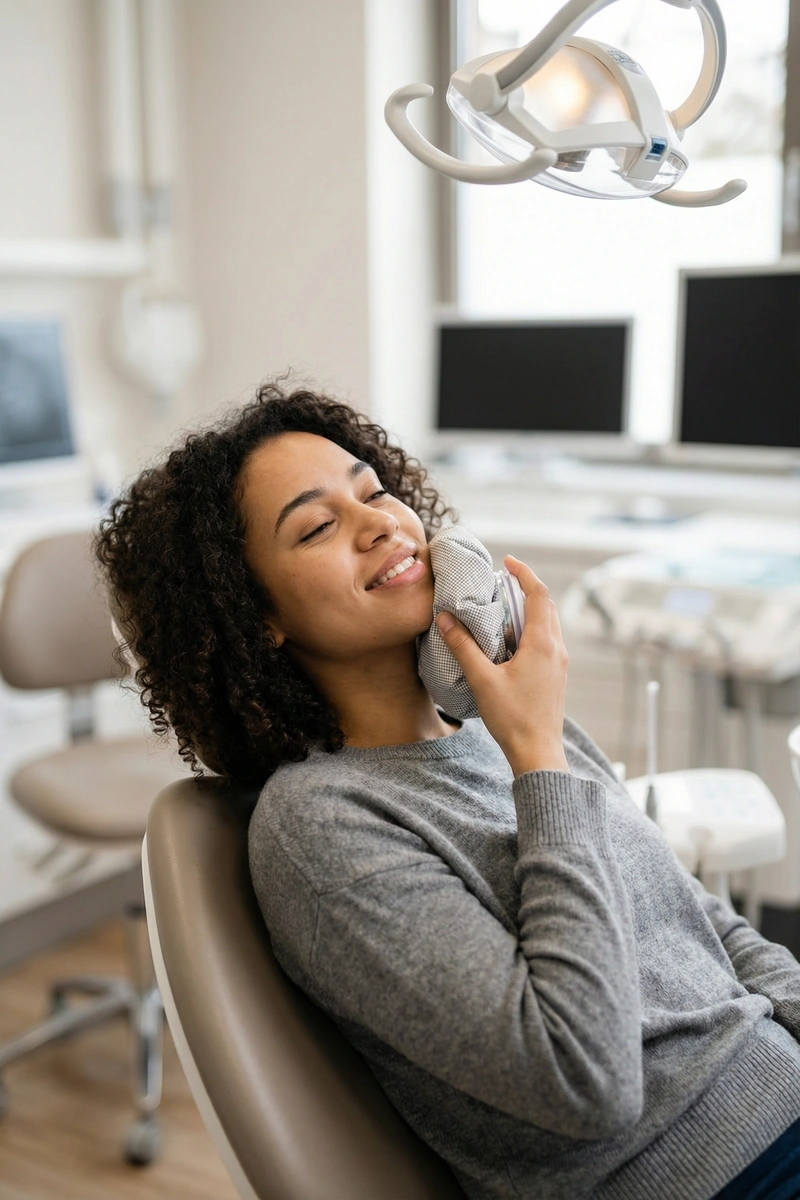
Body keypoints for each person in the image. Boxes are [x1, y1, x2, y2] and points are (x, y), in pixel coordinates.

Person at [96, 383, 800, 1200]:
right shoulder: (321, 824)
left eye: (375, 490)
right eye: (318, 526)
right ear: (256, 617)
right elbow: (584, 1080)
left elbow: (696, 921)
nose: (379, 523)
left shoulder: (500, 711)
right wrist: (535, 754)